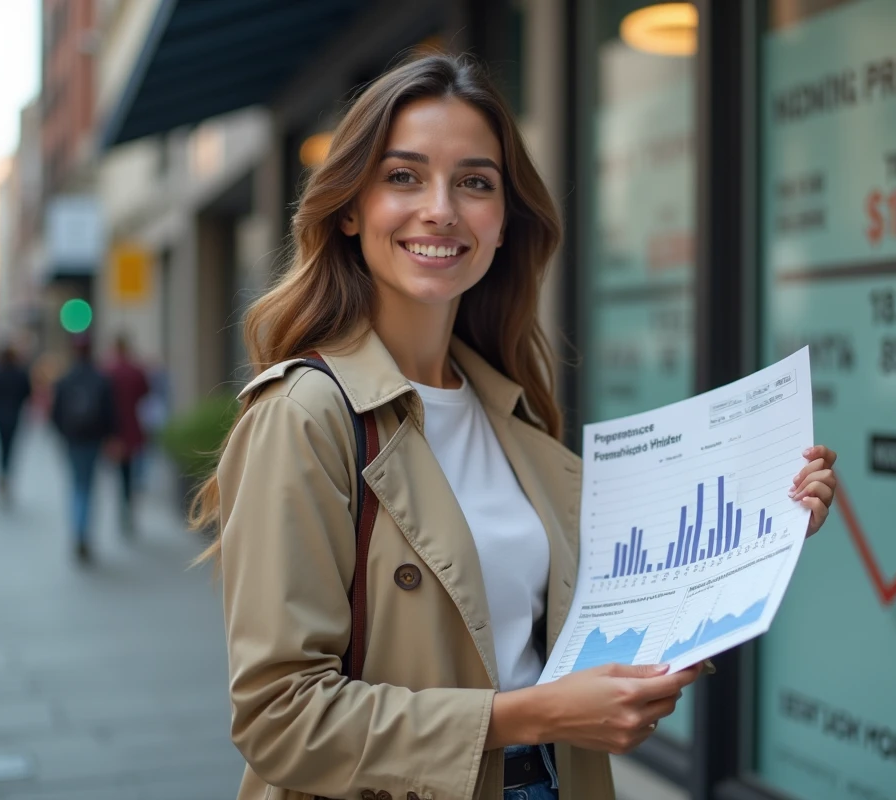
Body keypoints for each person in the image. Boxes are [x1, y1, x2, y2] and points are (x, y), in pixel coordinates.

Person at [190, 54, 839, 800]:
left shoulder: (513, 412)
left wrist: (762, 527)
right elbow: (280, 718)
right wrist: (529, 715)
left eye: (475, 182)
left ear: (502, 223)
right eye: (403, 177)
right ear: (349, 208)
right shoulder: (305, 415)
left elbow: (621, 602)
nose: (441, 208)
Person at [51, 335, 115, 563]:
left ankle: (78, 532)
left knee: (77, 486)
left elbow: (55, 415)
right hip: (93, 441)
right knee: (88, 486)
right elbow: (109, 414)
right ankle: (84, 533)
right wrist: (109, 438)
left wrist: (63, 436)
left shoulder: (65, 380)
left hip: (73, 440)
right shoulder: (100, 379)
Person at [105, 334, 150, 533]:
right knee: (132, 474)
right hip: (133, 430)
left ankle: (124, 510)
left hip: (115, 431)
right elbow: (146, 392)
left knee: (120, 474)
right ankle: (128, 509)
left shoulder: (109, 371)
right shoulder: (135, 370)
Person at [0, 345, 32, 504]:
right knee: (10, 447)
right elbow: (27, 393)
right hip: (14, 415)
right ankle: (6, 475)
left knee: (1, 446)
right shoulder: (20, 374)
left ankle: (2, 475)